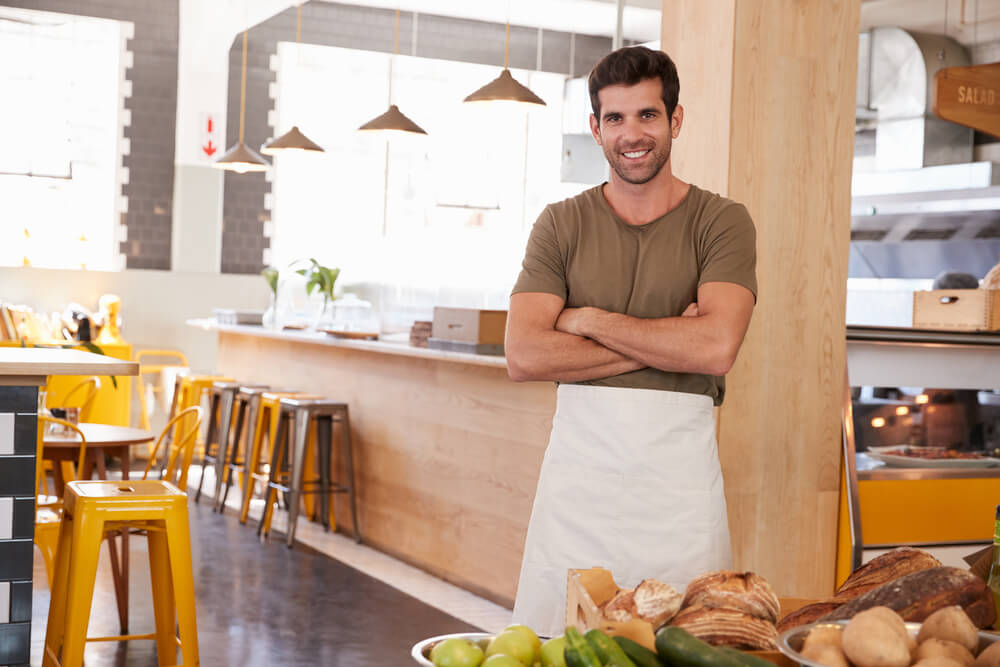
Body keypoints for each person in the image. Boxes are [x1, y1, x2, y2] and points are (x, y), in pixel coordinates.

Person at [505, 46, 758, 636]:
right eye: (614, 119)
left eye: (647, 115)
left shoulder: (721, 221)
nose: (632, 134)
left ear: (675, 120)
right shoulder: (561, 223)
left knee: (684, 643)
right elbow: (524, 355)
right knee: (557, 644)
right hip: (577, 486)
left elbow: (716, 349)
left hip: (679, 490)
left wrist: (587, 318)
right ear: (595, 128)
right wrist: (672, 334)